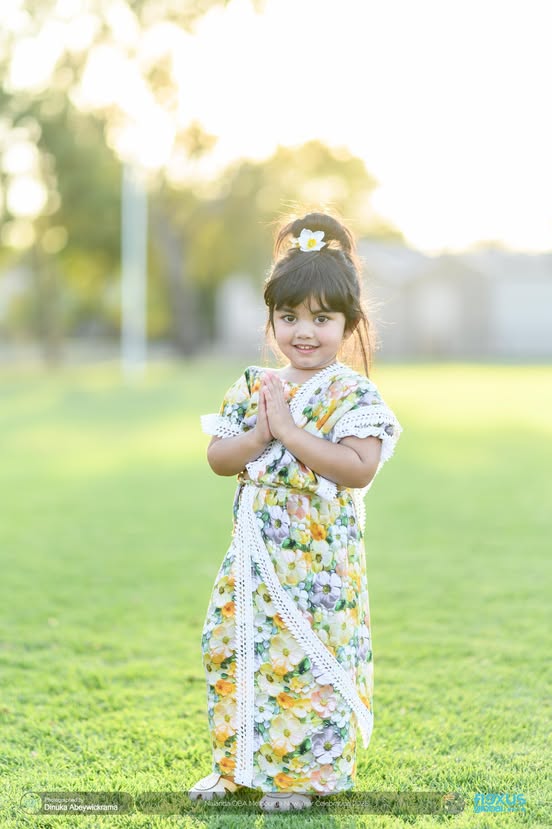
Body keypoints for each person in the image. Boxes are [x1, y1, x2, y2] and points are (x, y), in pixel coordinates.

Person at [189, 211, 403, 812]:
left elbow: (357, 467)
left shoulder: (353, 394)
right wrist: (261, 431)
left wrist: (288, 429)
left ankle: (302, 777)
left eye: (320, 319)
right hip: (253, 554)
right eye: (289, 318)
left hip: (318, 562)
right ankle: (234, 765)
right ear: (272, 320)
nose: (303, 332)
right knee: (232, 643)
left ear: (348, 323)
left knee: (307, 659)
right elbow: (218, 457)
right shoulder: (256, 384)